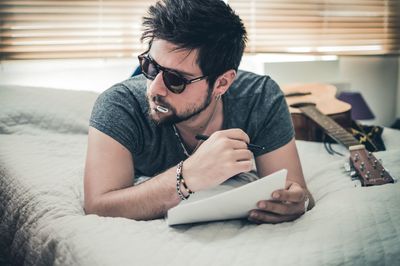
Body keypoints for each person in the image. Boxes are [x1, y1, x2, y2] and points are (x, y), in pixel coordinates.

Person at [84, 0, 315, 224]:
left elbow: (296, 191)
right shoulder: (119, 104)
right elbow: (98, 206)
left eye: (176, 80)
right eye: (151, 67)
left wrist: (297, 201)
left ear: (222, 83)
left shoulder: (261, 97)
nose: (154, 89)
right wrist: (186, 176)